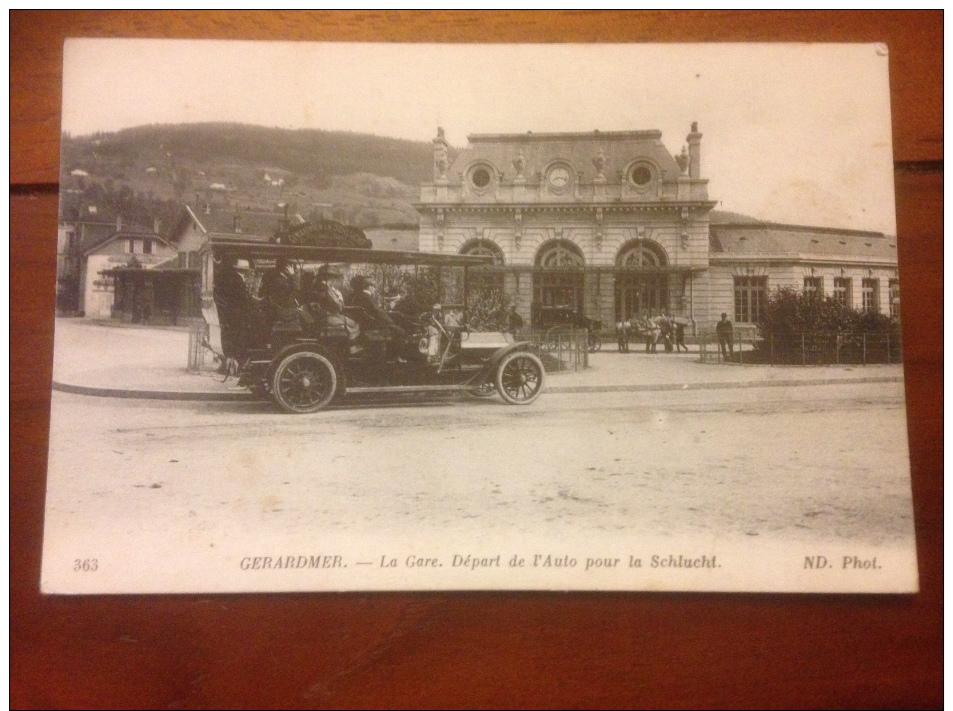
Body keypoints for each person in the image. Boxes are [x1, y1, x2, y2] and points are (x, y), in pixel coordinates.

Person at [308, 265, 361, 353]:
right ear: (329, 277)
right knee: (355, 324)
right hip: (327, 317)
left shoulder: (315, 287)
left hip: (319, 316)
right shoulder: (325, 288)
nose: (334, 280)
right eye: (334, 278)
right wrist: (339, 299)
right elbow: (337, 306)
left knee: (349, 321)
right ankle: (352, 346)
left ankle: (351, 345)